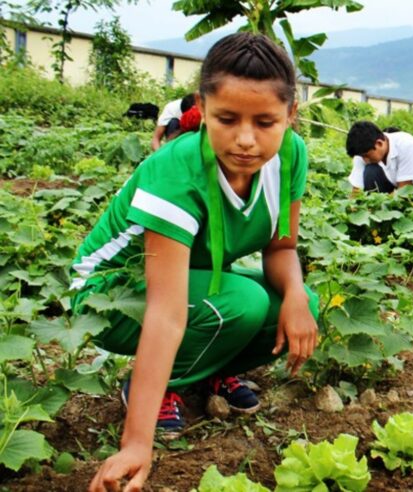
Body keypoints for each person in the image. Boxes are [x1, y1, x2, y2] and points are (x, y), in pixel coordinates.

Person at [84, 33, 319, 491]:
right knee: (244, 302)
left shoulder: (290, 154)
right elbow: (165, 312)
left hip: (192, 287)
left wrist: (294, 293)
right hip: (111, 297)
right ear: (203, 108)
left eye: (265, 122)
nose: (246, 140)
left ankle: (211, 372)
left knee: (298, 303)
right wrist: (136, 442)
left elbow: (281, 247)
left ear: (290, 115)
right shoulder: (178, 171)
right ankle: (159, 388)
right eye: (227, 119)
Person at [345, 121, 413, 193]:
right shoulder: (363, 151)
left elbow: (405, 191)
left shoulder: (407, 145)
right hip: (394, 187)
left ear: (379, 143)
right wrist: (352, 207)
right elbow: (356, 188)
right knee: (370, 171)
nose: (365, 160)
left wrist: (380, 203)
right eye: (361, 156)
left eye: (366, 156)